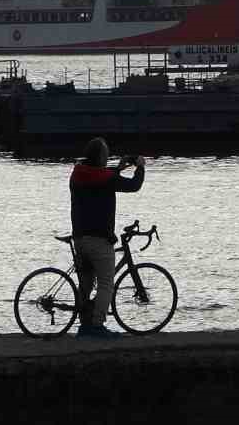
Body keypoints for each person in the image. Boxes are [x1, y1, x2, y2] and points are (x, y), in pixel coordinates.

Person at [69, 137, 145, 338]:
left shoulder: (77, 174)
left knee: (85, 284)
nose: (107, 157)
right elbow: (134, 186)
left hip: (80, 238)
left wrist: (118, 168)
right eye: (106, 154)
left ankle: (84, 325)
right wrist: (140, 167)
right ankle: (96, 326)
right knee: (106, 285)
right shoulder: (105, 178)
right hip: (99, 241)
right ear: (100, 157)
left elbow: (99, 176)